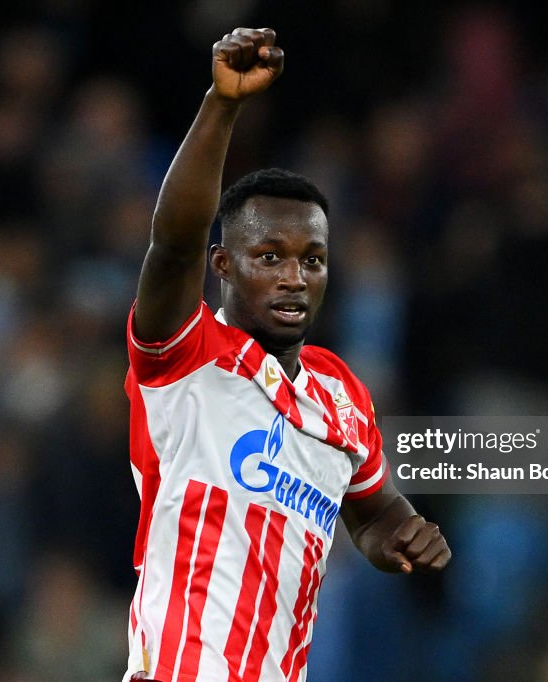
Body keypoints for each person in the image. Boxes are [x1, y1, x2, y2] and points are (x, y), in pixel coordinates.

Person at [124, 27, 451, 682]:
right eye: (269, 256)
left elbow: (371, 510)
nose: (294, 277)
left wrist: (400, 534)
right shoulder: (186, 357)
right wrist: (222, 104)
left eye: (313, 260)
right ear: (223, 265)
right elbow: (175, 244)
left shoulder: (342, 395)